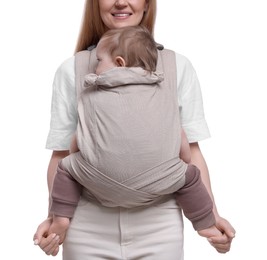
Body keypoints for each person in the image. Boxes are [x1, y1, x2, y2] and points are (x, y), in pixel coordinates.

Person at [33, 1, 236, 259]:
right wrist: (55, 218)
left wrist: (212, 216)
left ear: (147, 4)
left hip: (159, 225)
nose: (120, 1)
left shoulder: (177, 66)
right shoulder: (71, 69)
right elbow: (60, 155)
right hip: (87, 225)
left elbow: (193, 152)